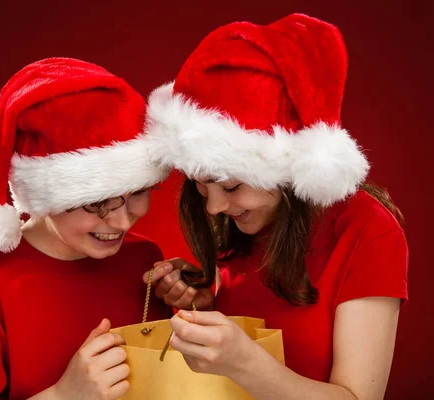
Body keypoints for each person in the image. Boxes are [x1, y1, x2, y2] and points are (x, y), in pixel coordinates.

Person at [143, 13, 408, 400]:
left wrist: (244, 362)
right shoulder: (250, 220)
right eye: (201, 188)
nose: (214, 207)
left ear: (285, 167)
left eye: (231, 186)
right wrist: (207, 302)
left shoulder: (368, 230)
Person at [0, 57, 170, 399]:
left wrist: (194, 309)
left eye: (138, 193)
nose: (122, 221)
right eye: (97, 202)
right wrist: (64, 396)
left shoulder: (145, 261)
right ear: (47, 195)